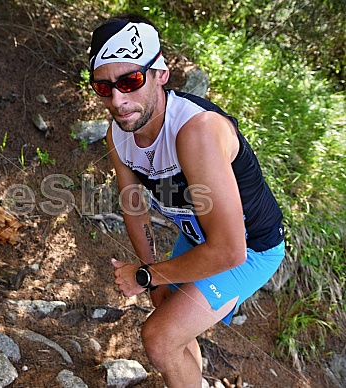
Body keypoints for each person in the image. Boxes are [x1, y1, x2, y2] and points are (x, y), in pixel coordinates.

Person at [89, 14, 285, 387]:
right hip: (199, 238)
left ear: (160, 73)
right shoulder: (120, 132)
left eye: (130, 81)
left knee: (159, 338)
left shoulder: (197, 132)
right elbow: (134, 205)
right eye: (104, 88)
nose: (118, 100)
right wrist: (152, 275)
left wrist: (145, 274)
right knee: (165, 312)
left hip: (250, 248)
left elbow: (230, 251)